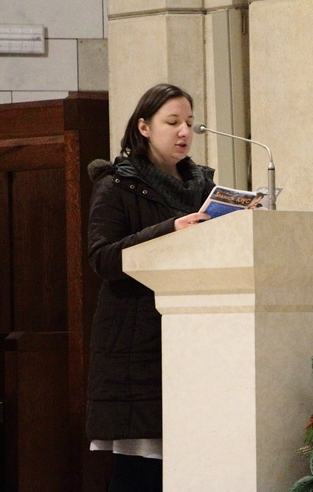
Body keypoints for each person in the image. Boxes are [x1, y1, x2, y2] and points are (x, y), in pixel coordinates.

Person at [85, 83, 215, 491]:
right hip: (138, 340)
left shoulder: (202, 186)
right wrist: (171, 229)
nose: (184, 132)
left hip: (196, 337)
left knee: (195, 463)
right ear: (144, 127)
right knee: (142, 471)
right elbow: (103, 258)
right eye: (172, 122)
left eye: (190, 123)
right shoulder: (116, 183)